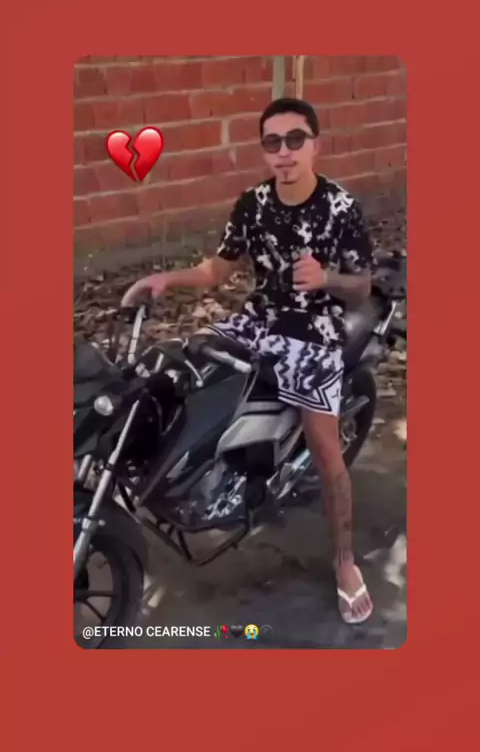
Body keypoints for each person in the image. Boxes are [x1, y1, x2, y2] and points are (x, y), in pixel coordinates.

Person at [122, 96, 375, 624]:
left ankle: (345, 562)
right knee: (182, 370)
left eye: (295, 140)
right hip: (259, 320)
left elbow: (362, 287)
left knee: (327, 453)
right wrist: (166, 279)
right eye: (272, 142)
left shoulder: (340, 207)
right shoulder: (253, 204)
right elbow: (217, 271)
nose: (284, 152)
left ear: (315, 145)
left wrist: (326, 279)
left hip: (314, 332)